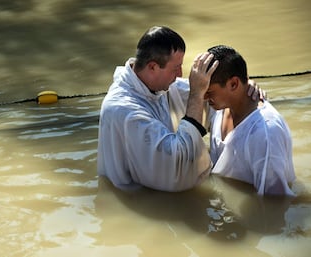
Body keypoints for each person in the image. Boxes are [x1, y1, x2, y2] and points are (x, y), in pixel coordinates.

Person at [97, 25, 220, 192]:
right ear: (153, 67)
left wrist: (245, 87)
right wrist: (197, 94)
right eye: (175, 68)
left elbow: (210, 94)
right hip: (137, 200)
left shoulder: (156, 85)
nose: (180, 74)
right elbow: (177, 164)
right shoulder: (123, 109)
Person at [205, 45, 296, 196]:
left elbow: (275, 200)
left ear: (234, 84)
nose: (202, 97)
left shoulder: (265, 132)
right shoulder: (219, 105)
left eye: (208, 92)